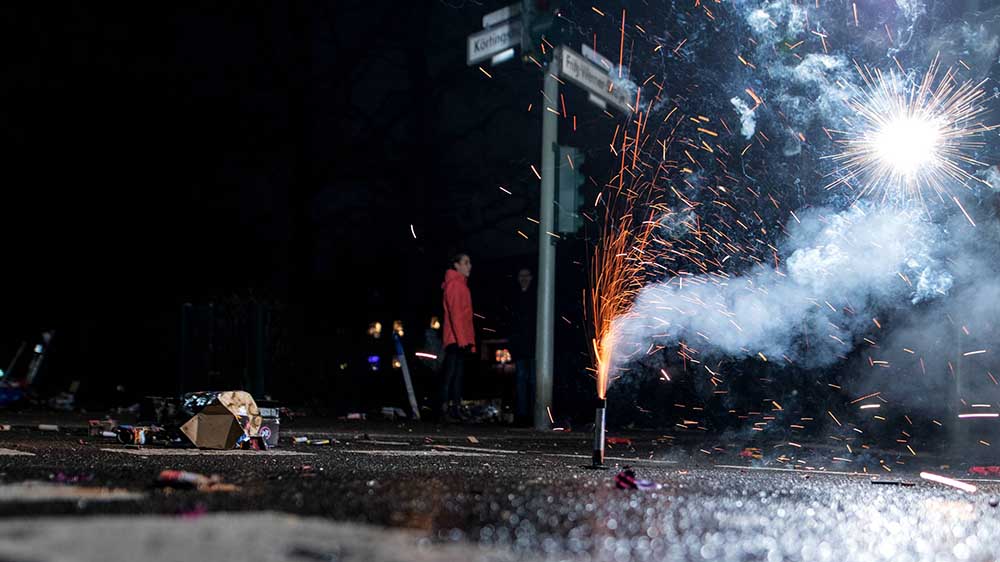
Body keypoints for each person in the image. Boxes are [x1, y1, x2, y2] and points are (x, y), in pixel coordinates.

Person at [440, 253, 475, 421]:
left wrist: (469, 341)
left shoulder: (461, 285)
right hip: (455, 338)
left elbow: (464, 318)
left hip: (459, 338)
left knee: (456, 375)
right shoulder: (455, 285)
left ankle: (454, 408)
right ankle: (447, 409)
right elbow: (455, 315)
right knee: (452, 374)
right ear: (456, 265)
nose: (469, 266)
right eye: (466, 263)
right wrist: (463, 340)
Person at [510, 268, 536, 425]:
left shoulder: (536, 296)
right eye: (521, 276)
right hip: (520, 346)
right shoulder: (515, 297)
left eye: (527, 275)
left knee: (532, 380)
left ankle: (532, 414)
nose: (524, 278)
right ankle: (522, 414)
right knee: (521, 379)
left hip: (533, 345)